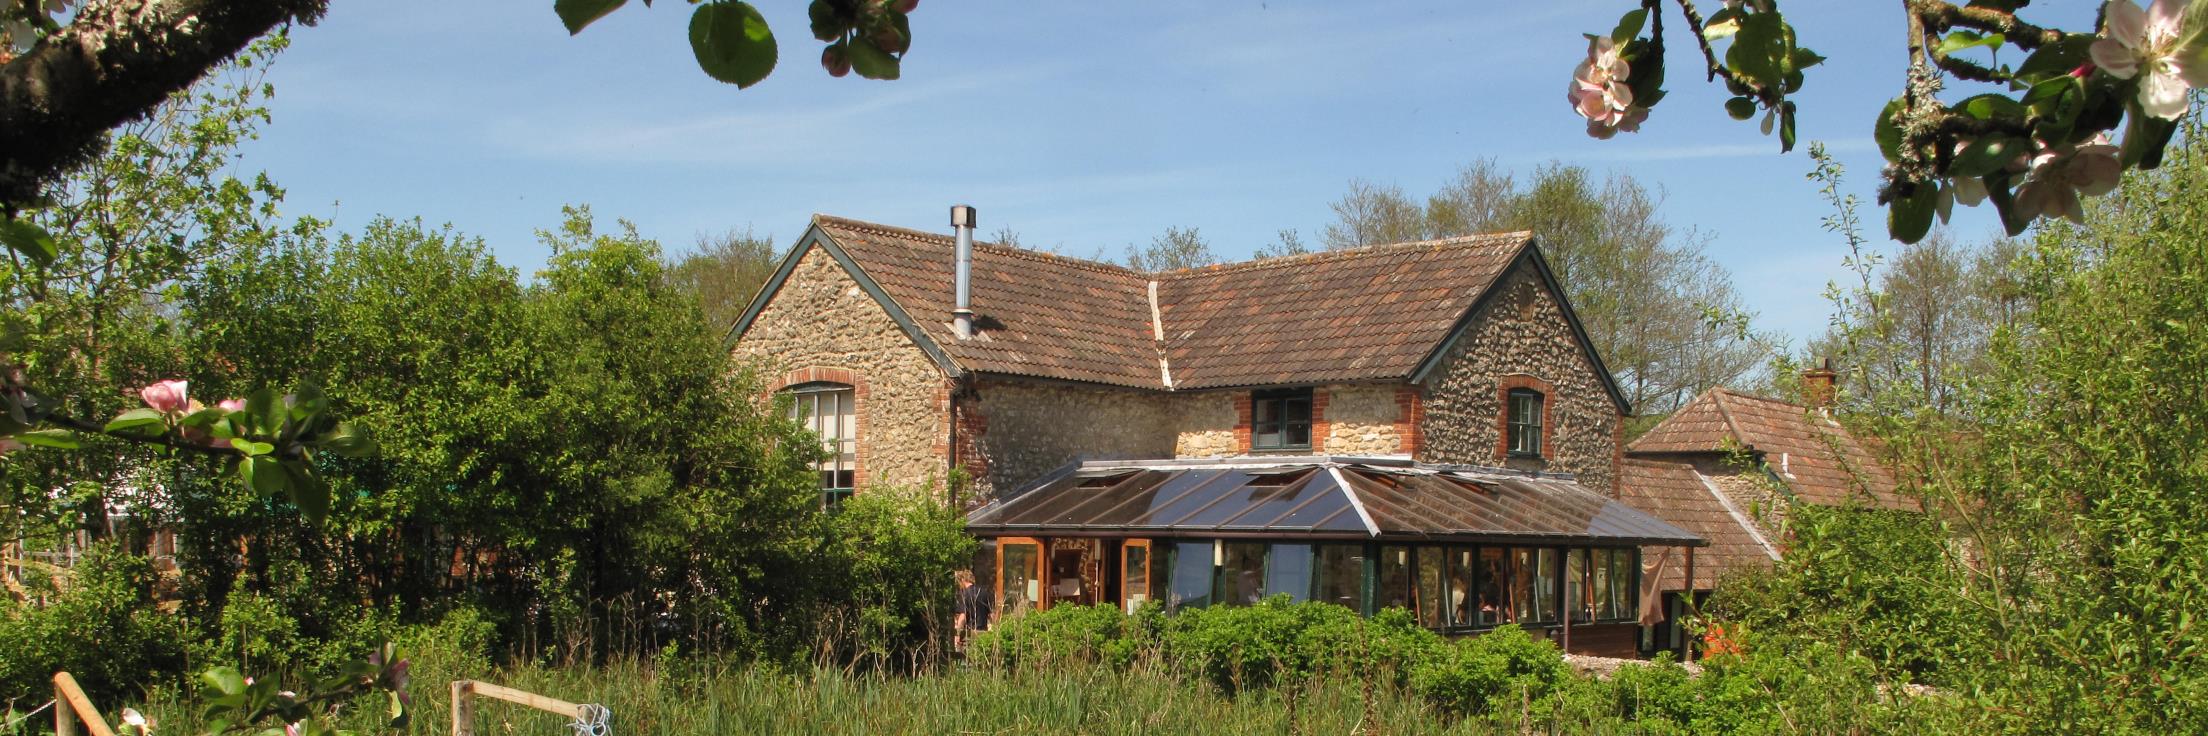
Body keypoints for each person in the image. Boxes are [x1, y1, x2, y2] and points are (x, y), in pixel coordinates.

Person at [952, 570, 991, 650]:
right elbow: (991, 615)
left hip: (970, 635)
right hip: (984, 634)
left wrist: (958, 634)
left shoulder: (964, 594)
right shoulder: (984, 592)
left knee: (967, 659)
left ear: (963, 580)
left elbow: (963, 616)